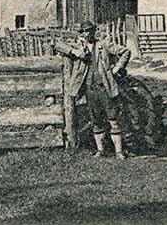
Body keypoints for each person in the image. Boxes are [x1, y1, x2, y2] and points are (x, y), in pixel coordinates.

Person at [53, 22, 133, 159]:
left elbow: (126, 51)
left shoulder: (104, 45)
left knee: (113, 118)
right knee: (96, 120)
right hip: (89, 89)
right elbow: (56, 45)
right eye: (83, 31)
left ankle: (119, 151)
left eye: (89, 31)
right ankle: (100, 150)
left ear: (94, 31)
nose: (86, 34)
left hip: (105, 87)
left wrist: (117, 68)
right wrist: (76, 52)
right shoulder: (79, 46)